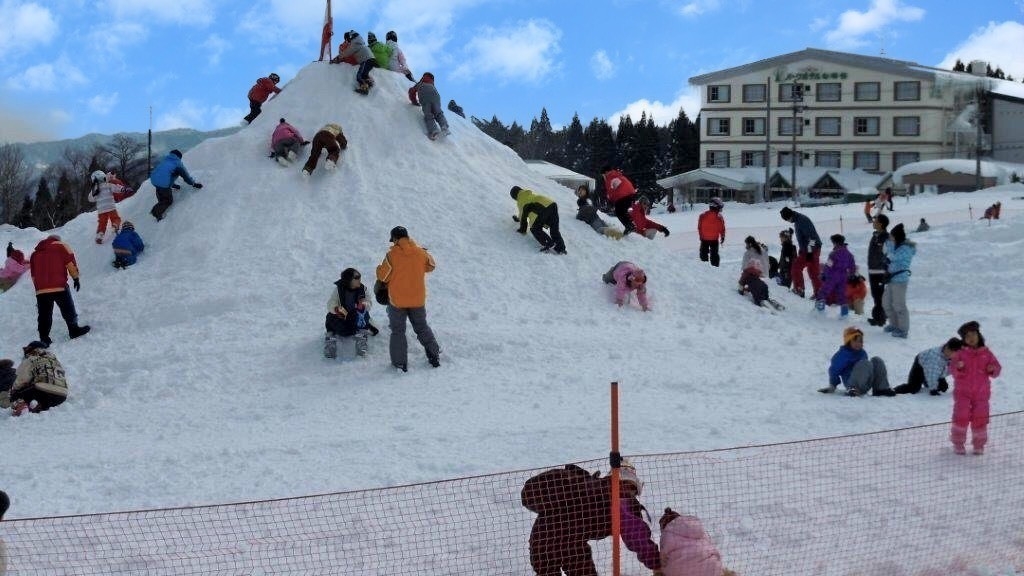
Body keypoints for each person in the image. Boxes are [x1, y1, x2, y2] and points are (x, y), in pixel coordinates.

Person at [521, 461, 660, 576]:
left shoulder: (587, 486)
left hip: (541, 544)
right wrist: (655, 561)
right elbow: (635, 534)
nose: (631, 494)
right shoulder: (620, 501)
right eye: (632, 490)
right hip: (572, 547)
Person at [375, 226, 441, 371]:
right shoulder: (420, 252)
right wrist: (423, 252)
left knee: (398, 331)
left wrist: (379, 268)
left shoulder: (391, 256)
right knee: (421, 327)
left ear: (396, 239)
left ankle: (400, 363)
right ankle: (434, 354)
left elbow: (383, 276)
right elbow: (431, 266)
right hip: (417, 300)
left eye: (393, 241)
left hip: (397, 301)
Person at [949, 321, 1001, 455]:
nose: (971, 338)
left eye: (973, 334)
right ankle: (958, 443)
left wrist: (992, 369)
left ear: (979, 335)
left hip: (982, 394)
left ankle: (979, 445)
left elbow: (997, 368)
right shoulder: (960, 354)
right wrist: (958, 368)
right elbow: (952, 369)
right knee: (961, 416)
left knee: (980, 417)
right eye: (967, 336)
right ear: (964, 340)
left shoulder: (987, 353)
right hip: (962, 393)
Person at [30, 235, 89, 345]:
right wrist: (76, 278)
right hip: (59, 286)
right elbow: (70, 263)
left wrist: (39, 288)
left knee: (44, 314)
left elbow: (33, 275)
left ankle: (44, 338)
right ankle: (74, 330)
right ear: (57, 240)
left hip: (41, 290)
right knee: (68, 308)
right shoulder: (61, 246)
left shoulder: (35, 254)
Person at [818, 326, 895, 397]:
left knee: (877, 360)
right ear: (848, 342)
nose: (858, 344)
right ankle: (853, 389)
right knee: (864, 363)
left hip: (865, 382)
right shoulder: (842, 355)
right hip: (851, 383)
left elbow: (866, 369)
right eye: (855, 341)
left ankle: (880, 389)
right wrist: (832, 386)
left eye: (860, 341)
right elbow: (834, 370)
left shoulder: (862, 353)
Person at [659, 508, 736, 576]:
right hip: (710, 571)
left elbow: (662, 558)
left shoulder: (666, 534)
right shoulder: (698, 530)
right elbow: (712, 549)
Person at [324, 268, 378, 359]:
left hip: (356, 321)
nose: (359, 279)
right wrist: (336, 309)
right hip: (343, 319)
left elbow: (369, 302)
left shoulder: (363, 289)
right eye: (356, 277)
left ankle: (361, 340)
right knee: (330, 316)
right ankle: (330, 340)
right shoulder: (339, 289)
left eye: (359, 276)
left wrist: (364, 305)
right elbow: (330, 303)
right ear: (349, 280)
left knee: (363, 314)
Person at [9, 341, 68, 415]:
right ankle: (39, 406)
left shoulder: (31, 359)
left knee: (16, 394)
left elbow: (19, 381)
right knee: (39, 389)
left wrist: (14, 392)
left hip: (43, 391)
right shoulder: (55, 360)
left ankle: (23, 406)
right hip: (61, 396)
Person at [779, 206, 822, 299]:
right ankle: (819, 293)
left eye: (786, 219)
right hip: (810, 249)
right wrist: (802, 249)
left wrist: (809, 252)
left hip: (811, 249)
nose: (788, 221)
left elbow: (812, 237)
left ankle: (799, 289)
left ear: (789, 216)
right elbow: (803, 238)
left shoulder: (802, 221)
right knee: (813, 271)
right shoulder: (798, 220)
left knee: (796, 267)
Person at [894, 337, 962, 395]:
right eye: (950, 351)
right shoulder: (934, 359)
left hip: (937, 370)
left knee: (943, 388)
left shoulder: (954, 356)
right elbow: (932, 375)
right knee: (913, 388)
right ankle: (893, 390)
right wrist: (933, 390)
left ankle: (927, 381)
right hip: (921, 364)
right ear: (947, 347)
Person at [882, 223, 915, 338]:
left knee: (899, 305)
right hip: (891, 280)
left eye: (892, 235)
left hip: (900, 280)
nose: (890, 237)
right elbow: (887, 249)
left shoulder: (907, 248)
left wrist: (888, 258)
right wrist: (885, 239)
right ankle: (894, 324)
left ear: (897, 236)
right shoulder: (893, 244)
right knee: (886, 303)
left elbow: (895, 257)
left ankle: (903, 330)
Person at [149, 150, 203, 221]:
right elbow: (186, 176)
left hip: (153, 180)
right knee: (168, 200)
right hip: (163, 184)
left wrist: (174, 186)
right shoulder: (178, 164)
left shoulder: (165, 160)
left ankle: (160, 202)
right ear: (179, 157)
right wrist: (194, 184)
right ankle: (156, 212)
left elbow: (165, 175)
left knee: (161, 191)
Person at [510, 186, 566, 254]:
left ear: (514, 197)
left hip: (543, 209)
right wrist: (518, 218)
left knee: (535, 229)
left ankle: (548, 243)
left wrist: (522, 229)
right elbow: (523, 212)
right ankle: (561, 248)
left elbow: (522, 215)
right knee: (553, 229)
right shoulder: (528, 194)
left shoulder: (520, 201)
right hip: (552, 205)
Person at [816, 234, 856, 316]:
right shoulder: (849, 254)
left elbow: (828, 266)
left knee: (823, 292)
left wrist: (823, 275)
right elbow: (852, 266)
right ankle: (844, 314)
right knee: (842, 295)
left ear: (835, 243)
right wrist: (851, 274)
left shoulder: (833, 254)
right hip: (843, 277)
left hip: (832, 276)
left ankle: (819, 311)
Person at [86, 170, 129, 244]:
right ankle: (115, 225)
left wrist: (93, 191)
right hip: (110, 207)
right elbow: (116, 188)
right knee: (115, 218)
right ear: (103, 177)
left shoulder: (95, 189)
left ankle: (100, 234)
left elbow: (90, 199)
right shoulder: (108, 185)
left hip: (101, 210)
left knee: (102, 223)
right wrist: (123, 189)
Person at [409, 72, 449, 140]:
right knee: (438, 113)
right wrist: (437, 106)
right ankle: (444, 126)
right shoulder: (432, 85)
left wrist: (414, 102)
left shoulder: (420, 83)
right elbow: (437, 95)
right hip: (436, 97)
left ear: (423, 77)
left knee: (428, 115)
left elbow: (412, 92)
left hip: (425, 98)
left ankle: (434, 131)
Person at [866, 214, 890, 327]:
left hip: (880, 271)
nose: (873, 222)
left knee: (880, 296)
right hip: (873, 271)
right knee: (876, 295)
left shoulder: (886, 237)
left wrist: (885, 268)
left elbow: (889, 255)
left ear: (881, 224)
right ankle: (878, 317)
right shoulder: (875, 235)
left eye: (875, 220)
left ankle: (881, 319)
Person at [601, 166, 638, 233]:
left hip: (624, 196)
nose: (603, 177)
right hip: (631, 194)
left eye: (603, 175)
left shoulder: (609, 178)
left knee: (619, 211)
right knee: (623, 211)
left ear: (606, 172)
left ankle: (630, 226)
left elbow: (610, 191)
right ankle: (632, 224)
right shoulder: (617, 174)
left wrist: (610, 200)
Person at [738, 236, 771, 308]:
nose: (745, 246)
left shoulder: (748, 253)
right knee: (760, 285)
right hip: (760, 277)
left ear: (749, 244)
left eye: (746, 244)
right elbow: (766, 263)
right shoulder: (761, 250)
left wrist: (741, 289)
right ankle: (766, 298)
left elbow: (744, 270)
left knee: (754, 286)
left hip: (753, 280)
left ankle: (760, 301)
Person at [696, 197, 726, 267]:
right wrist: (723, 236)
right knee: (714, 255)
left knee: (703, 254)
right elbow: (722, 228)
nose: (720, 209)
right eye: (719, 207)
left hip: (704, 239)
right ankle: (715, 267)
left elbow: (699, 227)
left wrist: (701, 236)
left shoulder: (702, 215)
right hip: (714, 240)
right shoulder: (719, 217)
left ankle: (704, 268)